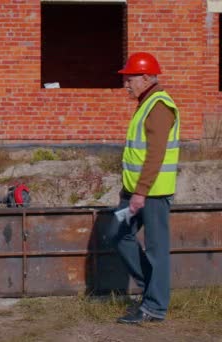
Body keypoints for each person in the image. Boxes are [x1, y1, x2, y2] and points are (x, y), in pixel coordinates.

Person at [114, 52, 180, 324]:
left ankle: (154, 306)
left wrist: (141, 191)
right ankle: (153, 288)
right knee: (117, 234)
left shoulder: (159, 106)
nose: (125, 85)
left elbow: (156, 155)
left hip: (151, 194)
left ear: (145, 78)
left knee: (156, 249)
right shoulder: (145, 103)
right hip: (133, 193)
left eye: (129, 79)